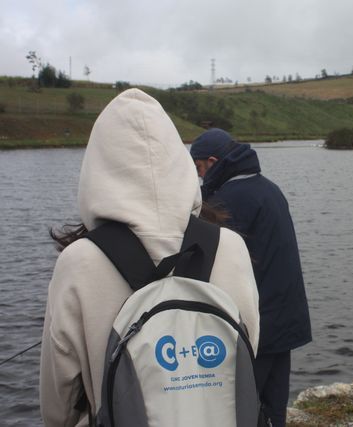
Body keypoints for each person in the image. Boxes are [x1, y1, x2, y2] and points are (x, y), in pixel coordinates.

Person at [39, 89, 260, 426]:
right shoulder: (230, 246)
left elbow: (60, 400)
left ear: (97, 168)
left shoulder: (79, 262)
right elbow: (249, 347)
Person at [190, 129, 312, 427]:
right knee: (274, 408)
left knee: (239, 409)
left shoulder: (226, 201)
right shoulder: (269, 189)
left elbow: (207, 262)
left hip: (258, 326)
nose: (198, 177)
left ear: (214, 161)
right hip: (286, 319)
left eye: (199, 168)